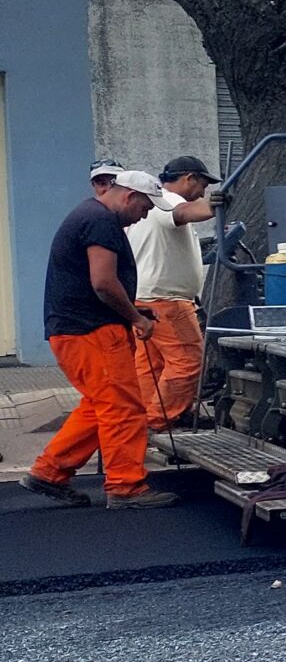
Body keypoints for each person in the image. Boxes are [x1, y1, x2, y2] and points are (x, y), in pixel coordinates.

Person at [25, 169, 179, 509]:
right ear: (128, 197)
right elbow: (103, 283)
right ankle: (126, 487)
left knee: (101, 406)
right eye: (145, 207)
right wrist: (136, 317)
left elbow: (92, 284)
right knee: (124, 409)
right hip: (92, 332)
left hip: (74, 328)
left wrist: (132, 307)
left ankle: (49, 472)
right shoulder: (101, 222)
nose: (145, 215)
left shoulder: (89, 215)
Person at [126, 154, 219, 434]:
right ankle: (158, 421)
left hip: (141, 299)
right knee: (187, 363)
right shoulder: (169, 201)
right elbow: (186, 213)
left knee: (150, 367)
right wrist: (214, 206)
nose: (202, 192)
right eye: (202, 185)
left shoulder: (144, 208)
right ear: (189, 178)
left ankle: (138, 422)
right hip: (168, 301)